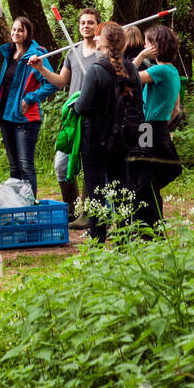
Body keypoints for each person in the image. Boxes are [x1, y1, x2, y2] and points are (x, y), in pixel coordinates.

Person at [73, 21, 143, 244]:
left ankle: (97, 243)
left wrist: (73, 105)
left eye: (97, 37)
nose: (94, 39)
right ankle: (124, 244)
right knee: (122, 190)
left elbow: (81, 107)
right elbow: (139, 103)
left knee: (96, 192)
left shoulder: (95, 70)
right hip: (123, 138)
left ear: (102, 43)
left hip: (95, 139)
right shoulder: (132, 69)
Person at [29, 6, 99, 226]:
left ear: (98, 26)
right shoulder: (73, 51)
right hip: (72, 117)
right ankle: (72, 208)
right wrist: (40, 68)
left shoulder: (103, 52)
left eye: (90, 22)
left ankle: (87, 215)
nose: (86, 26)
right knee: (61, 164)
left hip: (93, 115)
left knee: (90, 165)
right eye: (83, 23)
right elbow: (61, 82)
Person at [0, 16, 56, 198]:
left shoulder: (36, 54)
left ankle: (30, 207)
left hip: (26, 118)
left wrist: (30, 98)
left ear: (27, 33)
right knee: (14, 165)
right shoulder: (9, 53)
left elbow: (51, 83)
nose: (16, 33)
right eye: (14, 29)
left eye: (20, 30)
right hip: (6, 116)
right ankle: (18, 206)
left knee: (26, 165)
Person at [128, 23, 184, 232]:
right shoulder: (173, 71)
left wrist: (141, 55)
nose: (144, 44)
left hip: (147, 128)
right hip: (156, 128)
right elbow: (176, 110)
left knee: (143, 179)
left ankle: (147, 230)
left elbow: (127, 76)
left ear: (157, 46)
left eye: (148, 42)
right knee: (147, 180)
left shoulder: (159, 70)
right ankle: (151, 227)